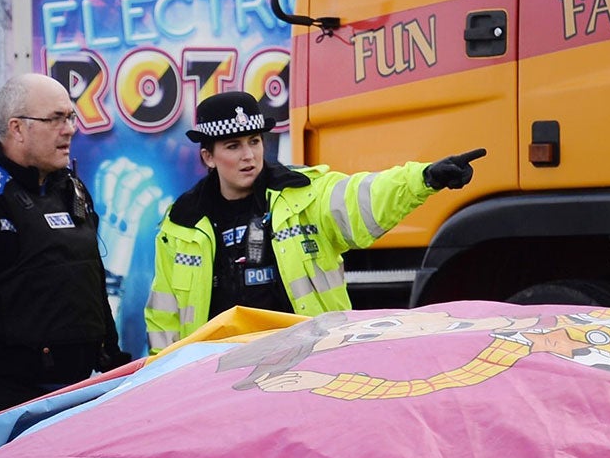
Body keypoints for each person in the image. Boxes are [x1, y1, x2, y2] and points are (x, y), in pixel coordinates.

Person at [143, 91, 483, 352]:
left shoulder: (305, 193)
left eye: (255, 142)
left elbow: (365, 194)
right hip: (216, 374)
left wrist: (424, 178)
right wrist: (162, 380)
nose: (248, 155)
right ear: (208, 156)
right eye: (233, 146)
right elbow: (165, 316)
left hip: (305, 363)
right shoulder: (181, 224)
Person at [0, 75, 125, 427]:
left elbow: (91, 285)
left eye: (72, 117)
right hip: (4, 409)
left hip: (80, 397)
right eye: (56, 118)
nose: (70, 129)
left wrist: (113, 364)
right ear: (17, 128)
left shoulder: (72, 192)